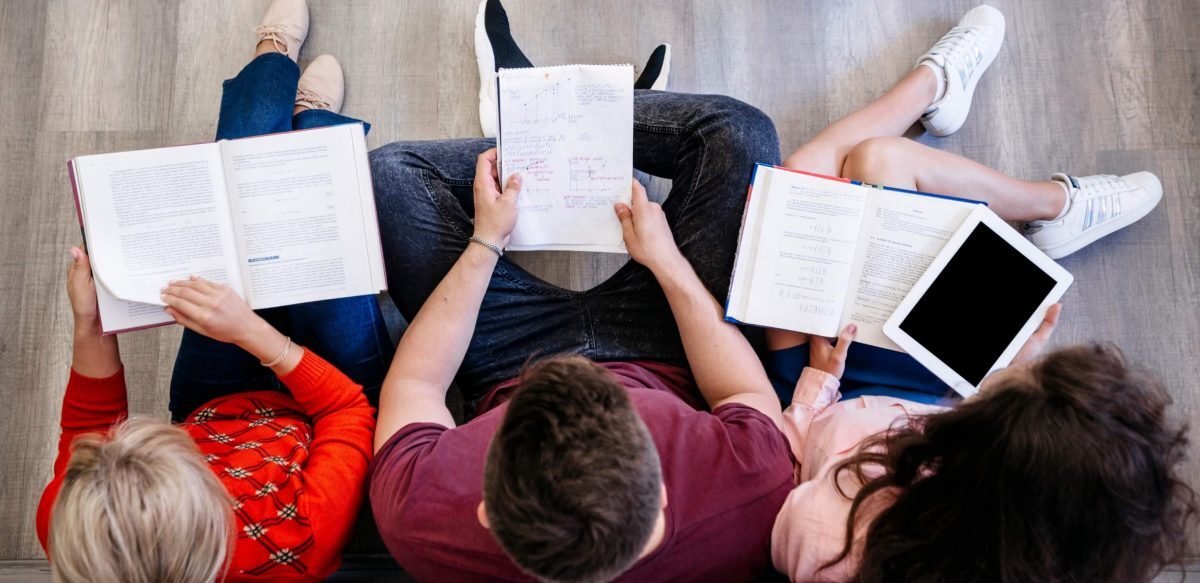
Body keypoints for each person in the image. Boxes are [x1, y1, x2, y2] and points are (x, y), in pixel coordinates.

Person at [366, 1, 792, 581]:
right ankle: (593, 131)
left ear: (487, 512)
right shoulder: (756, 494)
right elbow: (742, 386)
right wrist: (668, 264)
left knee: (393, 176)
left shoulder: (419, 521)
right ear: (663, 498)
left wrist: (485, 243)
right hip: (669, 350)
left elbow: (417, 383)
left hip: (504, 360)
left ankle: (529, 126)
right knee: (740, 135)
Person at [767, 6, 1197, 581]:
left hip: (814, 396)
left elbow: (783, 469)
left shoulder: (834, 537)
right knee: (878, 160)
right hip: (918, 399)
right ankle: (1049, 203)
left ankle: (937, 89)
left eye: (1018, 395)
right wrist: (1004, 375)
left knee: (807, 179)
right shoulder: (1008, 517)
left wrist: (816, 386)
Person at [36, 1, 394, 580]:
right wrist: (255, 335)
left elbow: (90, 423)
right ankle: (313, 130)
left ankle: (278, 66)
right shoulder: (296, 546)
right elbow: (347, 409)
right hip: (330, 406)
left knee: (234, 199)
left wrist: (89, 323)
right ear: (214, 513)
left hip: (214, 405)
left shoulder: (76, 525)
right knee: (319, 238)